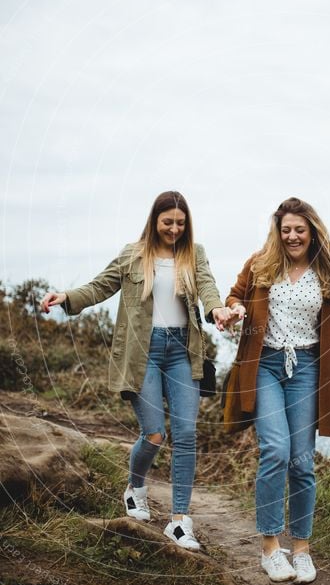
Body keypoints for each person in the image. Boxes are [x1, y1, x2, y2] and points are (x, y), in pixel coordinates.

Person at [41, 190, 233, 551]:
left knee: (187, 435)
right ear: (154, 221)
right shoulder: (133, 255)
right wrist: (67, 297)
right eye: (167, 222)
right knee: (155, 434)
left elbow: (208, 288)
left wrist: (218, 310)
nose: (174, 229)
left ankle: (178, 522)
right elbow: (100, 286)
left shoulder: (195, 254)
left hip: (182, 351)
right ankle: (135, 487)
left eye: (180, 223)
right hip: (142, 352)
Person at [226, 197, 330, 584]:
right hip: (265, 365)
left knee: (302, 462)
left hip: (306, 370)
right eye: (286, 230)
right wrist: (234, 310)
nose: (292, 236)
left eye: (299, 230)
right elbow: (234, 295)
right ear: (278, 231)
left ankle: (301, 549)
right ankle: (270, 548)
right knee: (275, 450)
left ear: (312, 231)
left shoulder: (326, 273)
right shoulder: (260, 263)